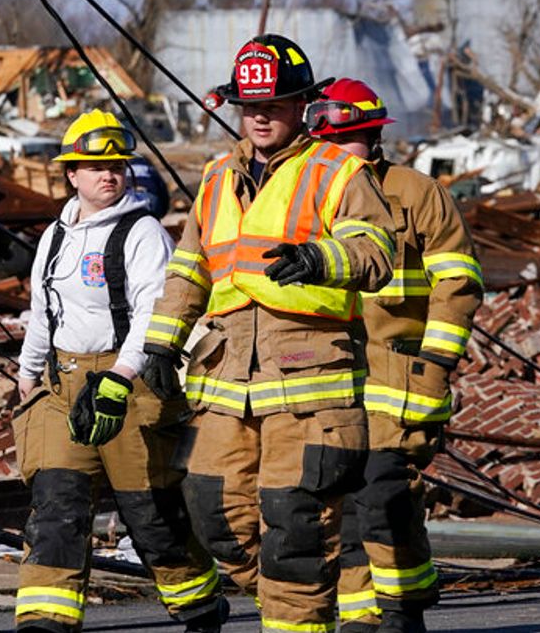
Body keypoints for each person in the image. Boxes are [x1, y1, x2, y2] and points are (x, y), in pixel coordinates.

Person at [141, 35, 396, 633]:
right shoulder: (214, 180)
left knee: (296, 524)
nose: (259, 115)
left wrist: (320, 258)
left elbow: (377, 251)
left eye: (275, 104)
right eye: (249, 105)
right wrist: (161, 342)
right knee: (213, 514)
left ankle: (297, 617)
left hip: (311, 387)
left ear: (301, 105)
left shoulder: (339, 172)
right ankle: (294, 602)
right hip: (225, 380)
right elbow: (188, 269)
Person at [13, 109, 226, 633]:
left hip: (128, 389)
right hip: (63, 389)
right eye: (95, 166)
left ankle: (201, 607)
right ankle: (45, 620)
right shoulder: (55, 235)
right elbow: (44, 309)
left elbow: (153, 311)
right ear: (72, 174)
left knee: (153, 514)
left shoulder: (143, 231)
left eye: (116, 166)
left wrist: (122, 374)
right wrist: (28, 371)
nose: (108, 174)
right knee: (56, 507)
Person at [306, 79, 483, 633]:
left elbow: (458, 281)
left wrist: (435, 363)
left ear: (376, 137)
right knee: (336, 500)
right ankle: (362, 617)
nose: (345, 155)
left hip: (400, 370)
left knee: (381, 490)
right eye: (334, 144)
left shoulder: (416, 192)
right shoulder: (304, 195)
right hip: (323, 371)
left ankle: (404, 606)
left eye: (355, 140)